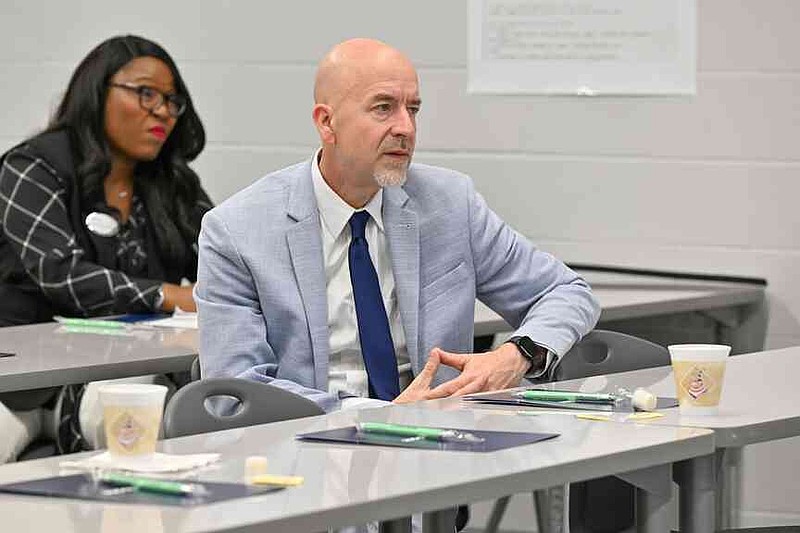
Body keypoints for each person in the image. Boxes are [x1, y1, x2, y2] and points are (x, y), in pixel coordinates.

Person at [196, 38, 600, 412]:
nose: (406, 128)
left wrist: (516, 354)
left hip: (440, 443)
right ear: (326, 123)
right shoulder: (237, 230)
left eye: (413, 109)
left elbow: (566, 292)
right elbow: (235, 392)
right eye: (383, 108)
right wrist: (382, 415)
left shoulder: (450, 204)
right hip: (305, 448)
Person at [0, 35, 211, 462]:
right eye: (146, 93)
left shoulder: (172, 183)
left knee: (149, 435)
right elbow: (61, 274)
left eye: (172, 101)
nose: (162, 111)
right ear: (96, 92)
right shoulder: (32, 166)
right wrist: (169, 295)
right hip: (18, 383)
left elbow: (225, 260)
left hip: (119, 372)